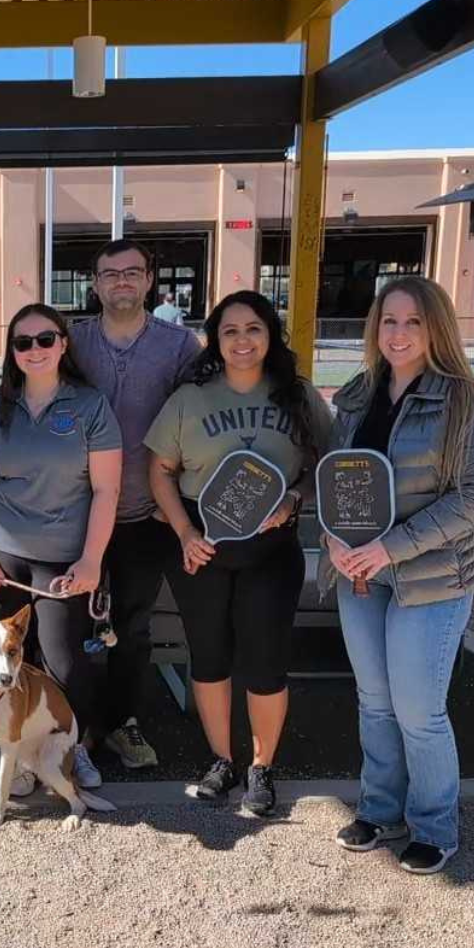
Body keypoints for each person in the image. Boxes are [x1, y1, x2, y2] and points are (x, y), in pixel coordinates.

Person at [322, 276, 474, 874]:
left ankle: (433, 825)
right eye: (388, 320)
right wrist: (332, 537)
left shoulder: (466, 402)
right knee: (374, 702)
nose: (398, 334)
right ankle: (379, 809)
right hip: (359, 575)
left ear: (436, 329)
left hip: (433, 578)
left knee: (419, 709)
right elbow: (336, 481)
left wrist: (389, 548)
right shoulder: (355, 394)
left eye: (413, 322)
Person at [146, 290, 333, 816]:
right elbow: (159, 471)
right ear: (215, 340)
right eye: (230, 331)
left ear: (269, 334)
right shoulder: (191, 397)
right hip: (201, 546)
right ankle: (221, 759)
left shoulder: (296, 395)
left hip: (271, 549)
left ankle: (261, 767)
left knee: (266, 662)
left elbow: (326, 463)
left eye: (253, 328)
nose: (242, 340)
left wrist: (295, 498)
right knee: (208, 658)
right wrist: (184, 533)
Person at [0, 303, 122, 795]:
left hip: (63, 561)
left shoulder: (90, 406)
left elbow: (106, 491)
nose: (35, 350)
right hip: (5, 557)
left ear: (63, 344)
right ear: (11, 352)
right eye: (23, 342)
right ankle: (24, 760)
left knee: (63, 664)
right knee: (7, 664)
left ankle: (73, 752)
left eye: (45, 339)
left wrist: (92, 559)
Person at [69, 239, 201, 770]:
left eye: (131, 272)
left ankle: (124, 722)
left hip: (147, 514)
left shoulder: (179, 346)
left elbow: (199, 423)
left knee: (132, 626)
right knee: (71, 626)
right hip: (76, 514)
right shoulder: (73, 343)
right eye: (109, 274)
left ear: (150, 280)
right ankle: (75, 728)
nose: (120, 281)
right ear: (95, 284)